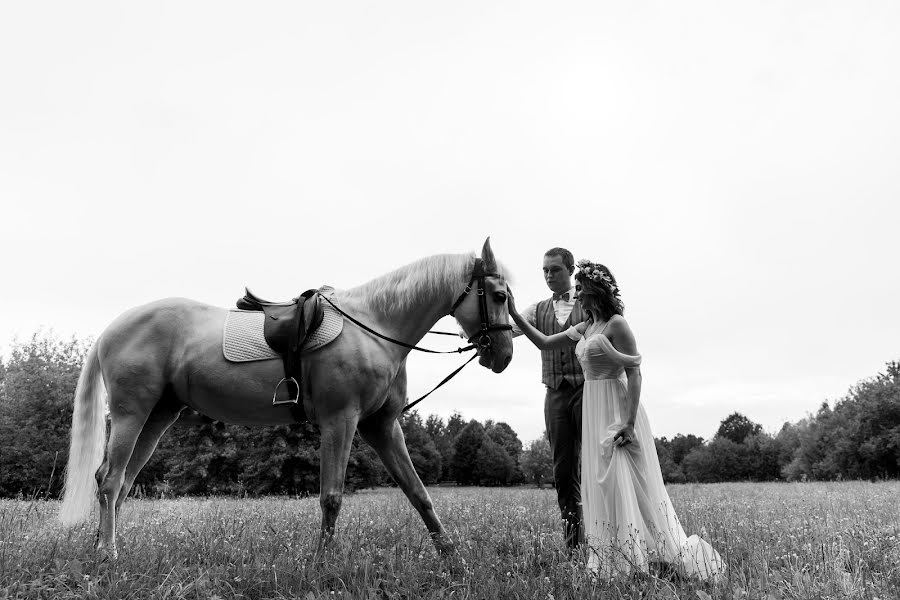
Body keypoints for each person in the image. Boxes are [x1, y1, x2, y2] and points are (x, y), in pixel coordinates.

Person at [508, 258, 724, 579]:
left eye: (580, 288)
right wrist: (513, 313)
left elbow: (635, 373)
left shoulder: (616, 325)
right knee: (602, 482)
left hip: (618, 408)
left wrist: (629, 423)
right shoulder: (586, 327)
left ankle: (641, 557)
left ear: (595, 290)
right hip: (594, 406)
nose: (577, 294)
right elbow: (543, 342)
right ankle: (613, 555)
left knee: (624, 481)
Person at [511, 247, 586, 552]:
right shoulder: (536, 309)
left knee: (595, 466)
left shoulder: (589, 304)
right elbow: (509, 328)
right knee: (563, 471)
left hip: (588, 390)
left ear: (570, 269)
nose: (549, 275)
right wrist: (470, 334)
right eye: (544, 270)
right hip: (554, 395)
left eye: (555, 269)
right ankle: (574, 547)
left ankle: (607, 539)